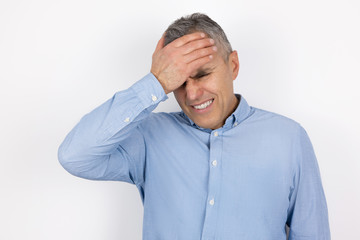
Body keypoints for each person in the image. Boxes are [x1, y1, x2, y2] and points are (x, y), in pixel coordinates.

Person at [58, 13, 331, 240]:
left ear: (233, 65)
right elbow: (75, 156)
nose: (191, 94)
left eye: (202, 75)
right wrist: (155, 83)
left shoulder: (288, 138)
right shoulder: (148, 137)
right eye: (178, 82)